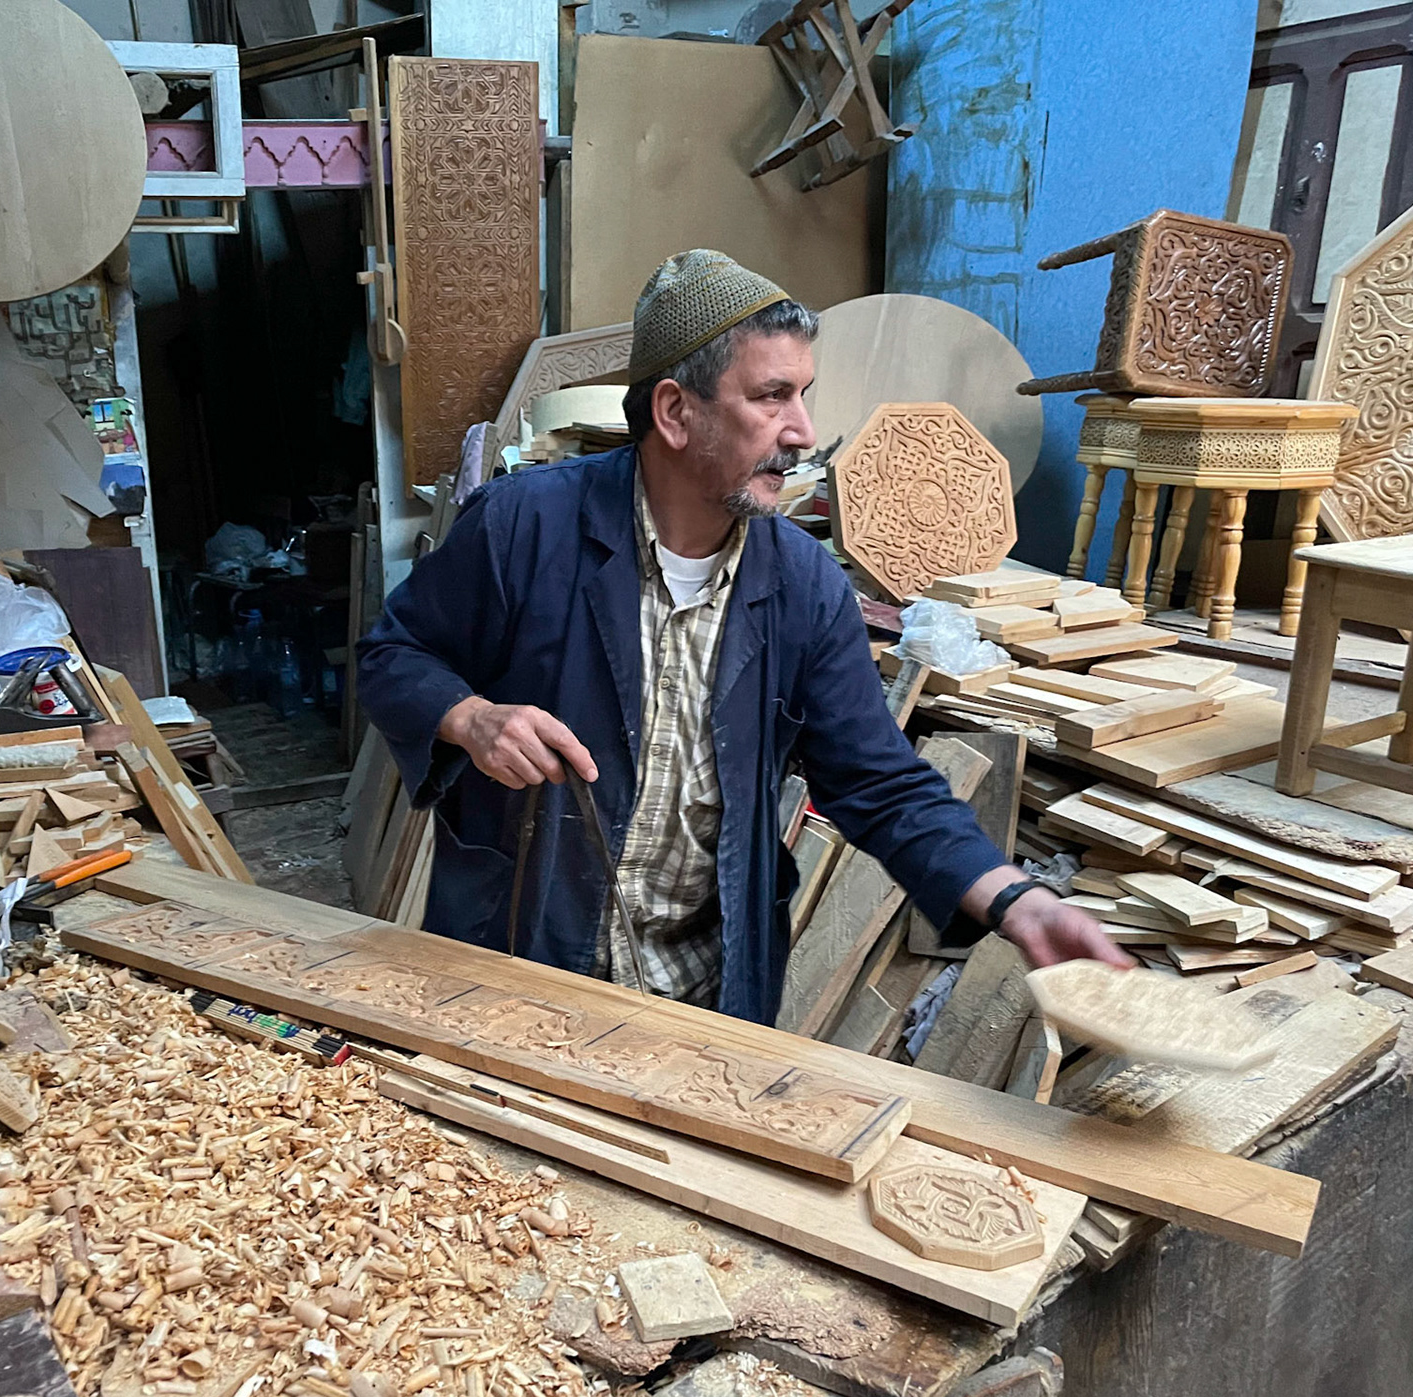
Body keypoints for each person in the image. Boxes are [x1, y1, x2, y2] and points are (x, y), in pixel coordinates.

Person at [357, 250, 1130, 1025]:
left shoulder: (803, 585)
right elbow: (393, 658)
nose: (803, 431)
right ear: (674, 412)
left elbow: (877, 778)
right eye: (772, 397)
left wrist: (1016, 902)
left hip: (702, 991)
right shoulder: (524, 525)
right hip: (525, 957)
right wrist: (471, 718)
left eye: (803, 395)